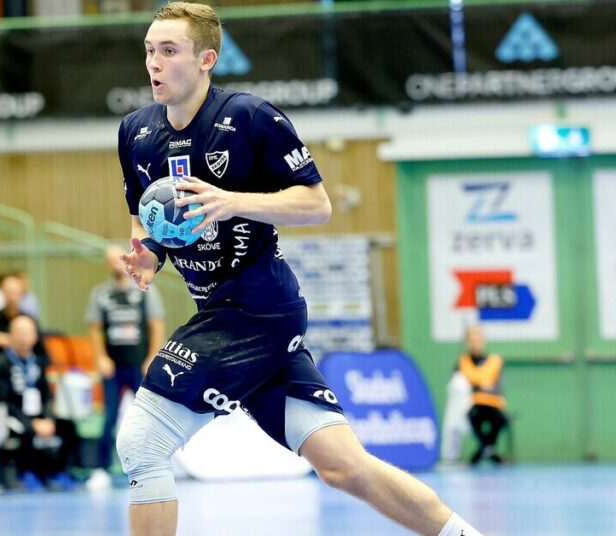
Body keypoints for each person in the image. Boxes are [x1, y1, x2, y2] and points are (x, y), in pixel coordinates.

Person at [113, 4, 483, 536]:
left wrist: (231, 201)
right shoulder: (135, 131)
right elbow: (146, 220)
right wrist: (149, 254)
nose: (154, 62)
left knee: (142, 442)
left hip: (257, 309)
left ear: (206, 59)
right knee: (344, 466)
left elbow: (317, 205)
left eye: (169, 51)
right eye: (150, 50)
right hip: (227, 315)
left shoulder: (250, 117)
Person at [86, 244, 165, 490]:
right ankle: (101, 469)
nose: (115, 264)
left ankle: (154, 465)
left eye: (118, 259)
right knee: (109, 417)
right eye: (109, 260)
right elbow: (95, 328)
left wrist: (152, 357)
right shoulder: (101, 293)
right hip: (113, 367)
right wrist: (101, 358)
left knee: (148, 416)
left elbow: (156, 325)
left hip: (139, 365)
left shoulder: (145, 288)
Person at [0, 315, 79, 491]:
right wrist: (32, 424)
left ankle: (58, 471)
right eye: (20, 332)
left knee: (68, 427)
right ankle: (27, 472)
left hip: (38, 414)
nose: (24, 337)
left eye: (28, 332)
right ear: (11, 335)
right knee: (25, 431)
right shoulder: (1, 362)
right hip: (13, 415)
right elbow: (5, 400)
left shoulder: (38, 361)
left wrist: (48, 419)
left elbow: (46, 395)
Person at [458, 325, 507, 465]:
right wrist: (480, 386)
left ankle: (483, 450)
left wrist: (479, 386)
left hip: (493, 403)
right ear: (467, 342)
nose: (475, 343)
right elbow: (460, 386)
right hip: (474, 404)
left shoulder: (494, 361)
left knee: (500, 419)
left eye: (478, 339)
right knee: (473, 416)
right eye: (472, 340)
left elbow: (498, 387)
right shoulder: (462, 362)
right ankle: (489, 450)